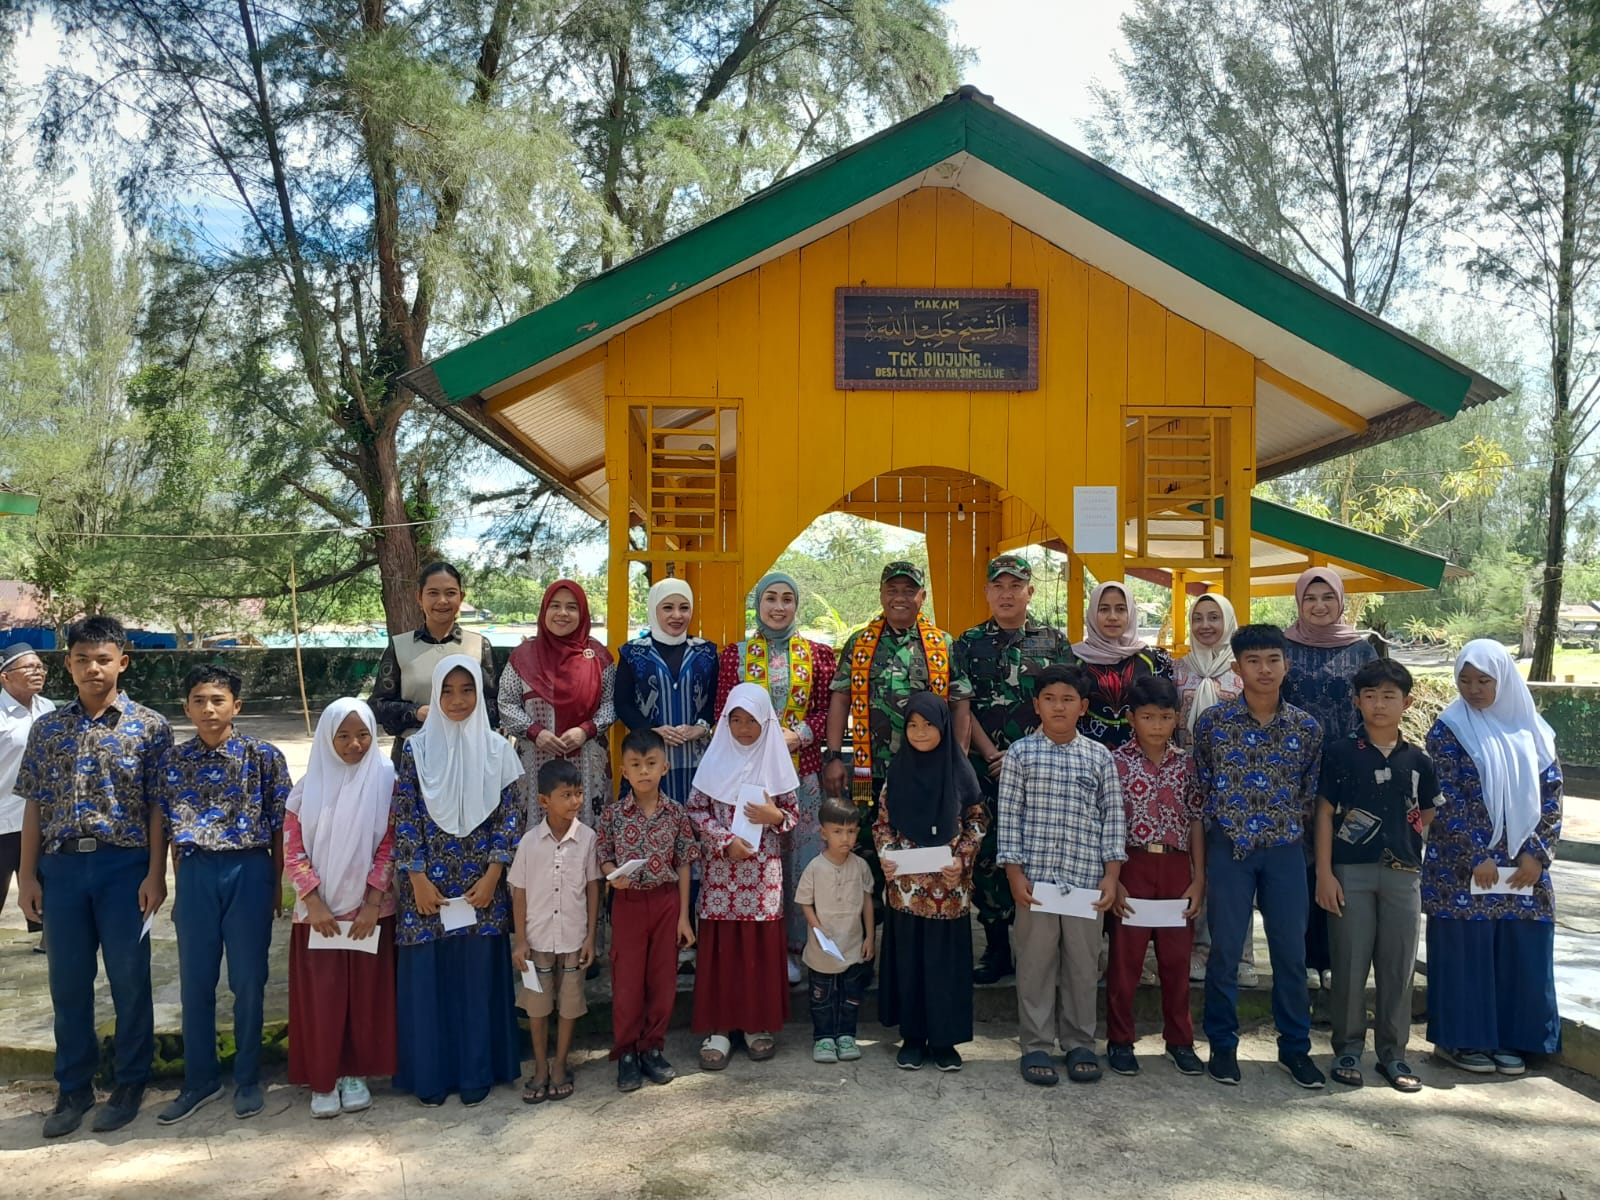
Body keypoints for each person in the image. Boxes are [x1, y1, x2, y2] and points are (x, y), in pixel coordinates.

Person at [15, 616, 173, 1137]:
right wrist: (27, 877)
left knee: (129, 980)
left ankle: (130, 1082)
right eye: (82, 659)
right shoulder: (48, 728)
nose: (92, 668)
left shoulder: (149, 726)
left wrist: (156, 873)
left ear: (122, 662)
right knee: (68, 984)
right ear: (68, 664)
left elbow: (157, 808)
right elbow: (34, 805)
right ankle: (73, 1088)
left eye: (103, 658)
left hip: (123, 867)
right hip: (60, 869)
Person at [156, 665, 291, 1125]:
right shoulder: (173, 761)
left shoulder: (263, 756)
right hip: (195, 873)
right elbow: (168, 826)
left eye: (218, 700)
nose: (208, 709)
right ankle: (200, 1079)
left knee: (248, 980)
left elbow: (280, 827)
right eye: (199, 700)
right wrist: (170, 881)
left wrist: (275, 884)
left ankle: (248, 1077)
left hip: (248, 869)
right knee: (196, 982)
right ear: (186, 707)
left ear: (237, 705)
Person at [1194, 624, 1324, 1089]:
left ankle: (1295, 1049)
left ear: (1287, 665)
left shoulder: (1307, 728)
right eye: (1254, 661)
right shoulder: (1213, 724)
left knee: (1291, 955)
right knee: (1225, 952)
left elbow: (1311, 795)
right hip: (1230, 850)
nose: (1264, 669)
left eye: (1273, 660)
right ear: (1237, 668)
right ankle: (1223, 1048)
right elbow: (1201, 786)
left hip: (1286, 852)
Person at [1424, 640, 1563, 1076]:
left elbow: (1552, 793)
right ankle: (1462, 1042)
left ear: (1503, 679)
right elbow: (1446, 798)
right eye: (1465, 680)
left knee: (1520, 950)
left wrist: (1536, 855)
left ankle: (1516, 1039)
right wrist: (1477, 854)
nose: (1473, 689)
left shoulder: (1534, 731)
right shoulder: (1449, 729)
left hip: (1524, 867)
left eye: (1484, 680)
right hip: (1465, 867)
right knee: (1466, 952)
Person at [391, 655, 524, 1107]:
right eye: (447, 691)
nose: (457, 700)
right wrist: (417, 879)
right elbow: (405, 816)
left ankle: (475, 1072)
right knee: (430, 985)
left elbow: (510, 820)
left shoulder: (498, 750)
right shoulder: (417, 750)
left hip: (479, 887)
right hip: (426, 887)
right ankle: (431, 1077)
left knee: (474, 983)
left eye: (467, 690)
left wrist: (492, 877)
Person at [997, 665, 1125, 1086]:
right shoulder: (1019, 754)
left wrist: (1112, 875)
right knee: (1035, 965)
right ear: (1037, 705)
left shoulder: (1099, 756)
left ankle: (1079, 1042)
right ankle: (1035, 1045)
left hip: (1086, 882)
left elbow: (1113, 819)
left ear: (1083, 707)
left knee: (1082, 966)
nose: (1058, 707)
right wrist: (1014, 874)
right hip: (1035, 883)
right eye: (1049, 699)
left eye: (1068, 699)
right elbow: (1010, 818)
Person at [1315, 659, 1436, 1092]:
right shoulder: (1341, 753)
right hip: (1351, 872)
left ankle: (1394, 1054)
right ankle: (1347, 1048)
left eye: (1389, 696)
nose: (1379, 704)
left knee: (1397, 965)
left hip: (1404, 875)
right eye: (1370, 695)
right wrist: (1325, 873)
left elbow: (1426, 814)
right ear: (1356, 701)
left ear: (1407, 701)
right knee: (1348, 962)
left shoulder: (1419, 760)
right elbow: (1325, 813)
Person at [954, 554, 1076, 986]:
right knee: (988, 854)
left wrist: (1025, 752)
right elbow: (962, 707)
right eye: (998, 586)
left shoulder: (1053, 642)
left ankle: (1039, 948)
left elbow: (1063, 700)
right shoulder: (967, 644)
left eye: (1015, 586)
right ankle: (996, 947)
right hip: (987, 770)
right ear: (987, 592)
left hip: (1041, 765)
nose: (1006, 594)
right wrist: (992, 756)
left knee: (1038, 851)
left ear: (1030, 591)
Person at [716, 571, 837, 984]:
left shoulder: (819, 654)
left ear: (796, 605)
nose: (779, 607)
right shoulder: (734, 655)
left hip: (799, 774)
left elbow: (827, 712)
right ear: (758, 604)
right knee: (759, 861)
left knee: (800, 861)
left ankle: (800, 944)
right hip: (749, 779)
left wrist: (800, 734)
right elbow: (723, 711)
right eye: (771, 598)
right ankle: (763, 948)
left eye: (788, 598)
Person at [823, 562, 972, 887]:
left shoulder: (943, 645)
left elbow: (960, 704)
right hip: (871, 771)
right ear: (881, 594)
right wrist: (833, 756)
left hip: (927, 771)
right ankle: (872, 930)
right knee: (872, 854)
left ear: (923, 596)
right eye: (892, 590)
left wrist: (957, 757)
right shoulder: (860, 643)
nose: (900, 598)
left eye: (909, 591)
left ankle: (915, 924)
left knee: (923, 850)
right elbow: (840, 698)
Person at [283, 698, 398, 1120]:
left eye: (363, 735)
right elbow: (293, 850)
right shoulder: (306, 788)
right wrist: (313, 901)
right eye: (344, 736)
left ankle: (357, 1074)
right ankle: (323, 1078)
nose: (354, 745)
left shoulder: (387, 782)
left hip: (371, 914)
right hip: (319, 916)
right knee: (323, 998)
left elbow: (390, 844)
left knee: (365, 997)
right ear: (327, 739)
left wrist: (372, 901)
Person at [687, 683, 800, 1071]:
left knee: (757, 951)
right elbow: (696, 811)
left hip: (762, 877)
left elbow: (793, 817)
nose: (744, 729)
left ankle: (754, 1024)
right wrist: (724, 841)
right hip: (721, 875)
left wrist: (776, 818)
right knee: (722, 950)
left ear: (766, 721)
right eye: (736, 720)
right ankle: (719, 1028)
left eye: (752, 720)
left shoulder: (777, 761)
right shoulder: (715, 759)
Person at [874, 692, 987, 1073]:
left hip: (948, 889)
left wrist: (962, 859)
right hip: (906, 891)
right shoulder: (897, 771)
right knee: (910, 964)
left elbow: (976, 821)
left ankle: (944, 1041)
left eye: (928, 725)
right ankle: (913, 1038)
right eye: (912, 725)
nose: (920, 733)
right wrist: (887, 856)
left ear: (943, 726)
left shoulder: (959, 770)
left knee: (944, 967)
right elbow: (882, 823)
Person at [1283, 567, 1381, 991]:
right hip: (1293, 771)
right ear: (1299, 602)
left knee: (1342, 860)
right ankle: (1304, 955)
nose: (1319, 606)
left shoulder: (1362, 651)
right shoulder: (1283, 646)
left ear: (1340, 601)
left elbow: (1376, 706)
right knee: (1301, 864)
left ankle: (1335, 956)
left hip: (1348, 768)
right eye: (1310, 598)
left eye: (1327, 598)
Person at [1106, 675, 1205, 1078]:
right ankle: (1119, 1040)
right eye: (1148, 717)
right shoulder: (1115, 763)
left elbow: (1196, 820)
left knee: (1176, 961)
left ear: (1177, 717)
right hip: (1133, 865)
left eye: (1165, 717)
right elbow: (1107, 821)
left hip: (1177, 868)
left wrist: (1199, 878)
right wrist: (1114, 878)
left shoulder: (1187, 763)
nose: (1157, 726)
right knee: (1125, 962)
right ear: (1131, 718)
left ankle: (1180, 1040)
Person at [597, 728, 699, 1092]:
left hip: (666, 901)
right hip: (628, 904)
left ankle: (652, 1046)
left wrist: (684, 915)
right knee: (626, 981)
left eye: (651, 764)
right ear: (623, 771)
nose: (644, 772)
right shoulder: (613, 815)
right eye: (636, 765)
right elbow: (603, 856)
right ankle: (626, 1051)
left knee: (663, 979)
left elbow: (685, 862)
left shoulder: (676, 813)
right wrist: (612, 876)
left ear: (664, 767)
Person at [1171, 592, 1252, 984]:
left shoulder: (1242, 671)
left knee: (1237, 867)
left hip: (1234, 784)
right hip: (1188, 779)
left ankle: (1242, 955)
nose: (1205, 625)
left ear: (1228, 622)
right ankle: (1198, 950)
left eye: (1214, 618)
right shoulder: (1175, 670)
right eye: (1198, 617)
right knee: (1194, 865)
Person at [510, 759, 600, 1105]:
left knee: (569, 1004)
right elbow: (519, 891)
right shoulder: (530, 843)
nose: (575, 801)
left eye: (578, 793)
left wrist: (591, 937)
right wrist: (520, 940)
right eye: (567, 795)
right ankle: (541, 1068)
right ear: (545, 801)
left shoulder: (588, 839)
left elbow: (594, 888)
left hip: (574, 939)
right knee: (537, 1005)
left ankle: (561, 1065)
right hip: (536, 942)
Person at [500, 579, 615, 824]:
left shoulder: (599, 657)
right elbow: (506, 702)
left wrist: (586, 731)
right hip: (534, 759)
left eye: (572, 607)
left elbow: (611, 703)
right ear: (544, 610)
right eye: (555, 606)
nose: (563, 613)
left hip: (586, 761)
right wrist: (535, 732)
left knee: (587, 835)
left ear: (583, 613)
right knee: (533, 832)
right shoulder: (523, 655)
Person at [371, 561, 500, 765]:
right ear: (419, 597)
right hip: (414, 756)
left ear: (461, 597)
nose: (442, 601)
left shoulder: (479, 646)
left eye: (450, 593)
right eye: (432, 593)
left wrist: (463, 710)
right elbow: (377, 706)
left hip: (470, 757)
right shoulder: (400, 646)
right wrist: (416, 712)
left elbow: (496, 704)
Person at [615, 578, 719, 811]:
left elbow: (715, 698)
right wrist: (651, 731)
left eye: (684, 608)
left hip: (698, 759)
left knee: (699, 825)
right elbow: (622, 703)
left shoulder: (706, 652)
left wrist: (701, 727)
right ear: (654, 609)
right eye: (667, 608)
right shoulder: (633, 653)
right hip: (648, 759)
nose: (677, 615)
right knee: (651, 828)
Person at [795, 796, 874, 1064]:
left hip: (852, 944)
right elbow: (805, 903)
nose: (846, 839)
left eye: (851, 831)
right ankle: (824, 1038)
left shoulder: (861, 866)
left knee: (851, 996)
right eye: (838, 831)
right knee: (822, 997)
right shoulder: (815, 868)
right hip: (823, 949)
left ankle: (846, 1036)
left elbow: (867, 902)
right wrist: (818, 930)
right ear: (824, 832)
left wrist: (870, 937)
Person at [1071, 580, 1174, 749]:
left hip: (1140, 761)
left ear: (1131, 614)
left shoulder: (1153, 659)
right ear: (1091, 613)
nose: (1112, 616)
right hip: (1086, 758)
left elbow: (1166, 710)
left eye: (1121, 609)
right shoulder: (1074, 658)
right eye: (1103, 609)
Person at [0, 643, 53, 946]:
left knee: (43, 883)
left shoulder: (48, 708)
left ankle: (49, 941)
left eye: (40, 667)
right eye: (29, 668)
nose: (37, 672)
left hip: (41, 818)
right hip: (3, 819)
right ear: (5, 677)